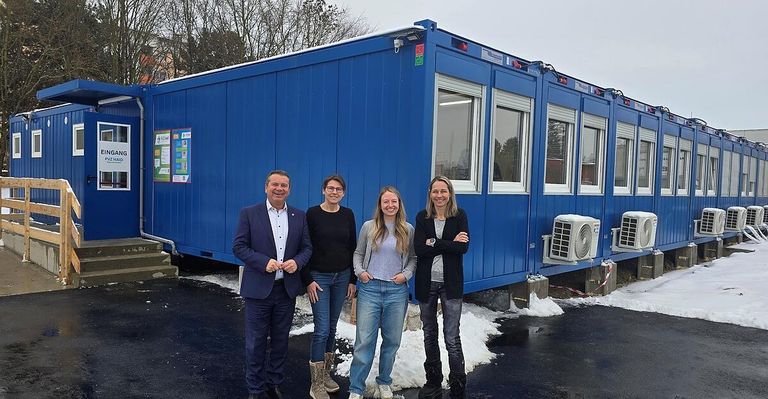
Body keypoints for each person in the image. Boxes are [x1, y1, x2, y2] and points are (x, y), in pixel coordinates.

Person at [232, 170, 313, 399]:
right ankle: (255, 388)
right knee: (255, 342)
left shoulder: (299, 216)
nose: (279, 189)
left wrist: (296, 263)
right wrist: (262, 262)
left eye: (284, 185)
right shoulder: (249, 213)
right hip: (258, 290)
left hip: (286, 291)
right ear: (266, 187)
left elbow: (307, 248)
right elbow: (239, 247)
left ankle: (273, 382)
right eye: (275, 184)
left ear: (289, 189)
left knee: (280, 341)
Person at [348, 186, 416, 399]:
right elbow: (358, 253)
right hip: (370, 289)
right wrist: (360, 273)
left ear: (399, 204)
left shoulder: (407, 229)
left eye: (393, 201)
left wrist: (406, 275)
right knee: (364, 341)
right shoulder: (369, 227)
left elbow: (413, 258)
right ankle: (356, 388)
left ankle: (384, 382)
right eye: (386, 202)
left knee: (392, 340)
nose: (390, 205)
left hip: (397, 291)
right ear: (380, 204)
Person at [414, 176, 470, 399]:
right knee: (429, 333)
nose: (439, 195)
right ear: (430, 194)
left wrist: (434, 242)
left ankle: (457, 384)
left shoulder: (459, 216)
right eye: (435, 191)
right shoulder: (422, 217)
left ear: (450, 193)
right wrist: (449, 244)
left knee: (451, 336)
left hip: (451, 283)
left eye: (443, 191)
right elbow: (419, 249)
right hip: (426, 283)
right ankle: (433, 381)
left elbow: (463, 248)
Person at [302, 175, 357, 399]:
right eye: (330, 188)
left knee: (333, 327)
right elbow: (304, 246)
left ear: (343, 193)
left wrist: (352, 279)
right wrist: (307, 279)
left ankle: (325, 375)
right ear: (323, 190)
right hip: (319, 278)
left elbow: (352, 247)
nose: (334, 192)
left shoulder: (348, 214)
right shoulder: (313, 214)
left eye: (338, 189)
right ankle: (315, 383)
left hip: (342, 276)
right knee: (322, 328)